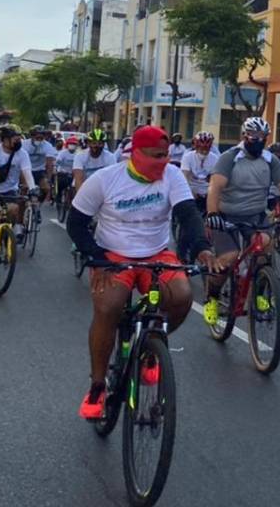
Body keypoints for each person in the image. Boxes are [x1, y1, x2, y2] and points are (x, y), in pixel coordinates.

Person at [66, 126, 218, 419]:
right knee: (108, 307)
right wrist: (96, 258)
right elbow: (76, 223)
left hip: (157, 253)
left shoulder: (172, 175)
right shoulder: (105, 179)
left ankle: (150, 348)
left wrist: (202, 247)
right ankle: (97, 386)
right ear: (135, 154)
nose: (162, 162)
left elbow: (188, 214)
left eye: (165, 155)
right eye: (155, 156)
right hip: (112, 255)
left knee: (182, 297)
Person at [202, 117, 280, 325]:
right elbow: (215, 187)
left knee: (264, 249)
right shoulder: (229, 158)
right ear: (244, 136)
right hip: (226, 216)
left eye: (262, 137)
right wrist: (212, 214)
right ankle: (211, 297)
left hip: (256, 216)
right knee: (229, 257)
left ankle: (259, 294)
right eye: (253, 136)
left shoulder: (270, 160)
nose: (258, 140)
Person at [0, 124, 39, 240]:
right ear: (4, 139)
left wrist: (32, 188)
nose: (18, 141)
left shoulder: (22, 154)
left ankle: (9, 232)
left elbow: (27, 172)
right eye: (15, 138)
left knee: (13, 209)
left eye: (19, 138)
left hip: (10, 191)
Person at [180, 131, 219, 212]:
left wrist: (211, 194)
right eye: (201, 148)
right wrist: (191, 192)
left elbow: (215, 180)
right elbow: (184, 177)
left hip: (207, 190)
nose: (204, 151)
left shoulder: (215, 158)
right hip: (191, 189)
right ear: (196, 146)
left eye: (207, 148)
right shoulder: (188, 157)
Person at [22, 125, 56, 202]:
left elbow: (49, 164)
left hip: (40, 171)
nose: (39, 140)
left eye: (41, 138)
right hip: (26, 170)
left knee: (47, 188)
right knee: (24, 188)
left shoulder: (48, 146)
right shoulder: (24, 144)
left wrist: (49, 179)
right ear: (32, 136)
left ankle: (41, 205)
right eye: (37, 138)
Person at [54, 137, 78, 208]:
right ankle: (58, 197)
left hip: (72, 174)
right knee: (60, 185)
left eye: (74, 144)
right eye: (71, 144)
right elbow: (57, 161)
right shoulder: (63, 153)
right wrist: (55, 168)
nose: (72, 145)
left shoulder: (77, 154)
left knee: (74, 188)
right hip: (62, 173)